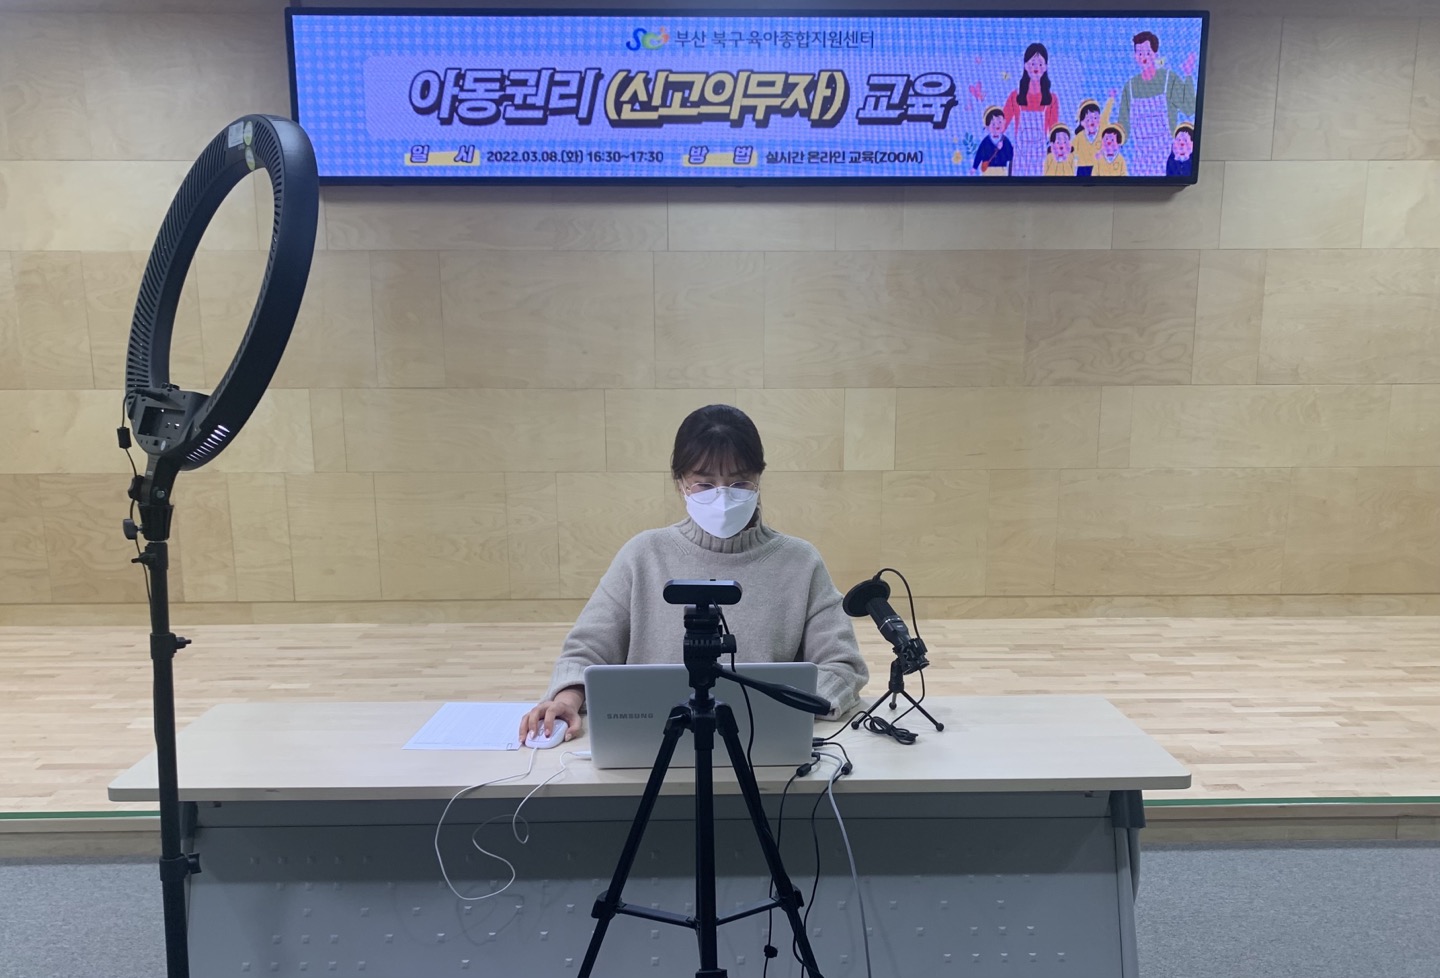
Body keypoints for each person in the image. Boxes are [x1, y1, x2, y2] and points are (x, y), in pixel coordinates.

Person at [519, 404, 869, 744]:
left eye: (739, 482)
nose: (723, 496)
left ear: (759, 478)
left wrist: (786, 711)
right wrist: (567, 700)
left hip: (765, 747)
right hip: (648, 746)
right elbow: (586, 651)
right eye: (704, 483)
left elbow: (842, 666)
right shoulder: (643, 555)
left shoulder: (801, 562)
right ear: (681, 483)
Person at [1118, 30, 1198, 176]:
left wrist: (1188, 74)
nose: (1143, 57)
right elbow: (1123, 126)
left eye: (1148, 53)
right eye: (1139, 53)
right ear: (1134, 55)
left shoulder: (1169, 79)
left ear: (1155, 53)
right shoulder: (1129, 87)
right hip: (1140, 161)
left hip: (1166, 158)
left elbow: (1190, 108)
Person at [1001, 42, 1061, 177]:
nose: (1036, 68)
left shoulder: (1052, 99)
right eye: (1032, 63)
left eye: (1040, 64)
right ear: (1025, 65)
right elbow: (1002, 125)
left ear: (1046, 67)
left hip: (1040, 157)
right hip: (1020, 157)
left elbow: (1054, 131)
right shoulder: (1015, 96)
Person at [1072, 95, 1115, 178]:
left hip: (1099, 167)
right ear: (1082, 122)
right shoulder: (1079, 137)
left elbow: (1106, 113)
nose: (1092, 121)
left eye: (1095, 118)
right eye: (1088, 119)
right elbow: (1070, 151)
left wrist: (1111, 98)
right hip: (1083, 168)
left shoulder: (1102, 131)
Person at [971, 106, 1014, 176]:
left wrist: (1006, 149)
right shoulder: (985, 141)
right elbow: (979, 154)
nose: (997, 125)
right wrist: (974, 167)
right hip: (988, 170)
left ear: (1004, 122)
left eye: (999, 122)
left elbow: (1010, 157)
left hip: (1002, 170)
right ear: (987, 127)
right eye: (993, 124)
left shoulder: (1005, 141)